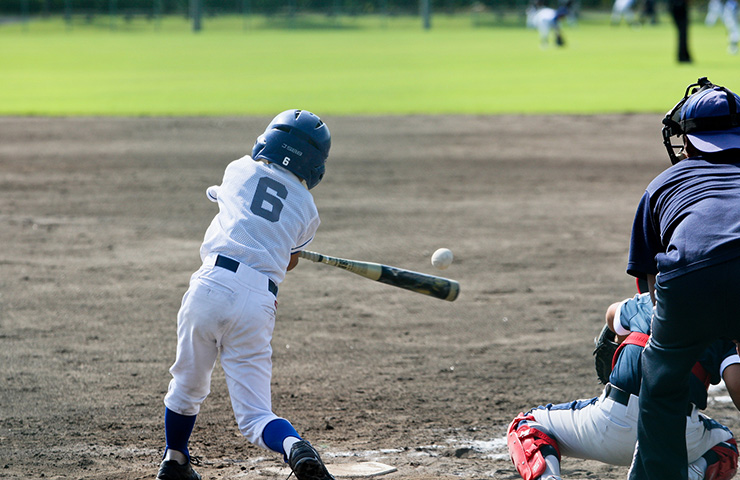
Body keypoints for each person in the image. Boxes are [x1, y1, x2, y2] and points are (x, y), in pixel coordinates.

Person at [156, 109, 335, 480]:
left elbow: (238, 212)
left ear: (267, 140)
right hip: (259, 301)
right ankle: (294, 447)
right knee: (256, 416)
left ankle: (175, 461)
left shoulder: (238, 169)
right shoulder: (308, 208)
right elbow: (288, 263)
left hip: (211, 286)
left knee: (187, 386)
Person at [626, 77, 740, 480]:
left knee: (661, 385)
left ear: (687, 143)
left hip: (689, 278)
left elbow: (649, 286)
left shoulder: (664, 184)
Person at [507, 292, 740, 480]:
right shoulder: (724, 324)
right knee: (725, 446)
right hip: (677, 437)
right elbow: (737, 389)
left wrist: (631, 337)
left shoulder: (643, 302)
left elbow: (611, 314)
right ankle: (688, 475)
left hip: (611, 423)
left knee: (527, 425)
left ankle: (547, 478)